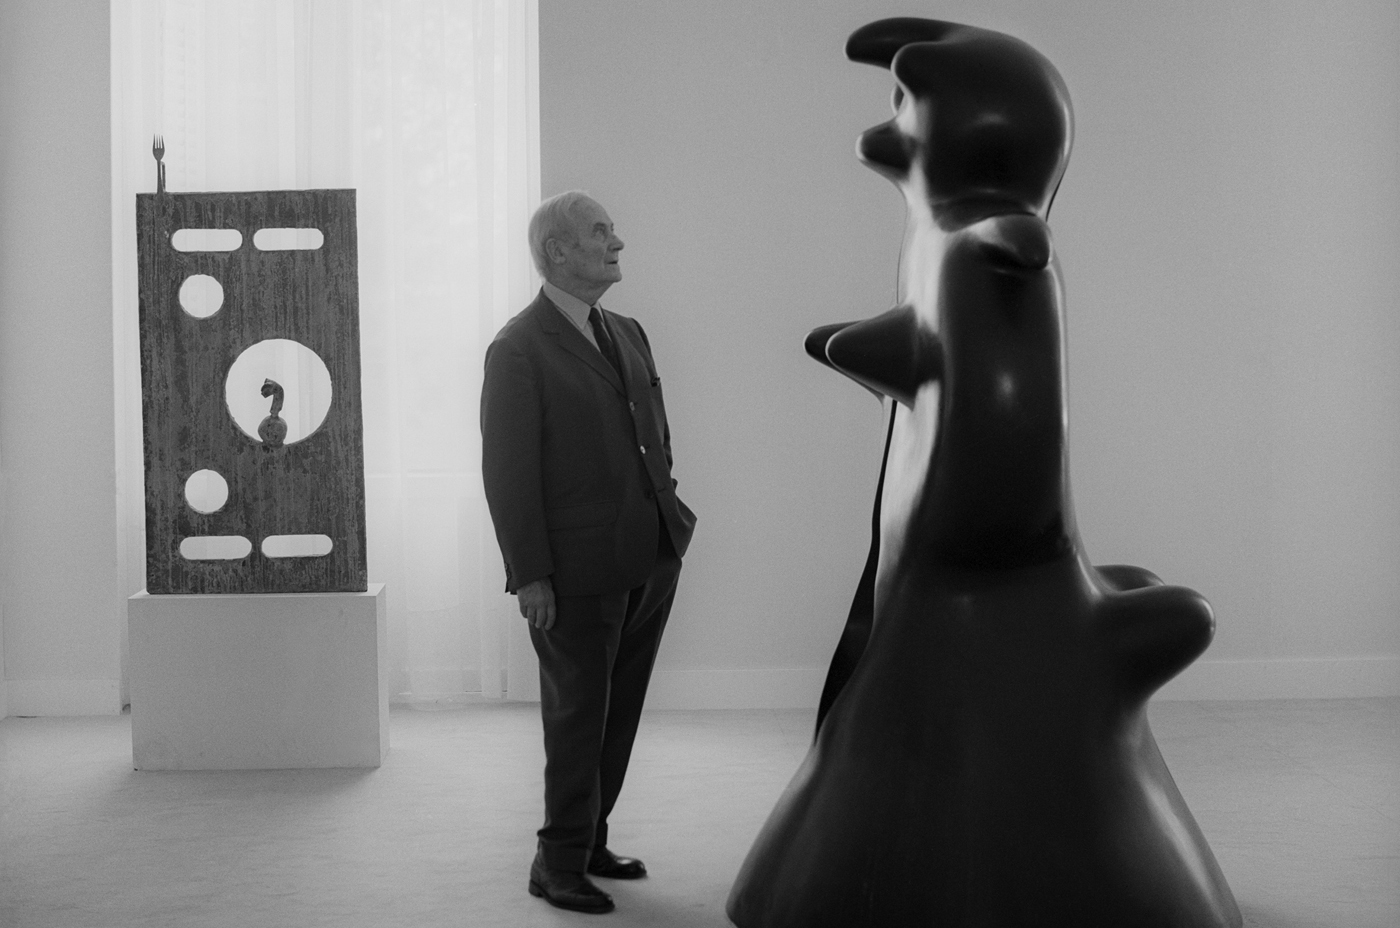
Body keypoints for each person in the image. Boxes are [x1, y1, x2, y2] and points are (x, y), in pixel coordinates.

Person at [480, 191, 696, 915]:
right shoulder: (518, 348)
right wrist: (530, 575)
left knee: (618, 710)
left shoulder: (627, 331)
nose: (617, 242)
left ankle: (590, 839)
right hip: (573, 573)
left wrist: (669, 513)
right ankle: (557, 861)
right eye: (601, 232)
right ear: (558, 251)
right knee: (578, 717)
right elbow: (508, 474)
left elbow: (653, 432)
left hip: (650, 552)